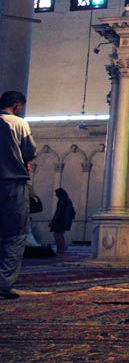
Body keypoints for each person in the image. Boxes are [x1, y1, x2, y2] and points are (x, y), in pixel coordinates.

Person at [0, 91, 37, 300]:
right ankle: (3, 284)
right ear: (16, 106)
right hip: (12, 183)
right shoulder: (18, 123)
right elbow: (30, 151)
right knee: (15, 234)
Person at [50, 188, 76, 255]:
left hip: (60, 220)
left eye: (56, 194)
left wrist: (53, 221)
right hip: (63, 220)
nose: (56, 195)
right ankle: (61, 248)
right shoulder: (66, 200)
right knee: (59, 234)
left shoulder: (62, 201)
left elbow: (59, 212)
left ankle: (61, 249)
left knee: (58, 234)